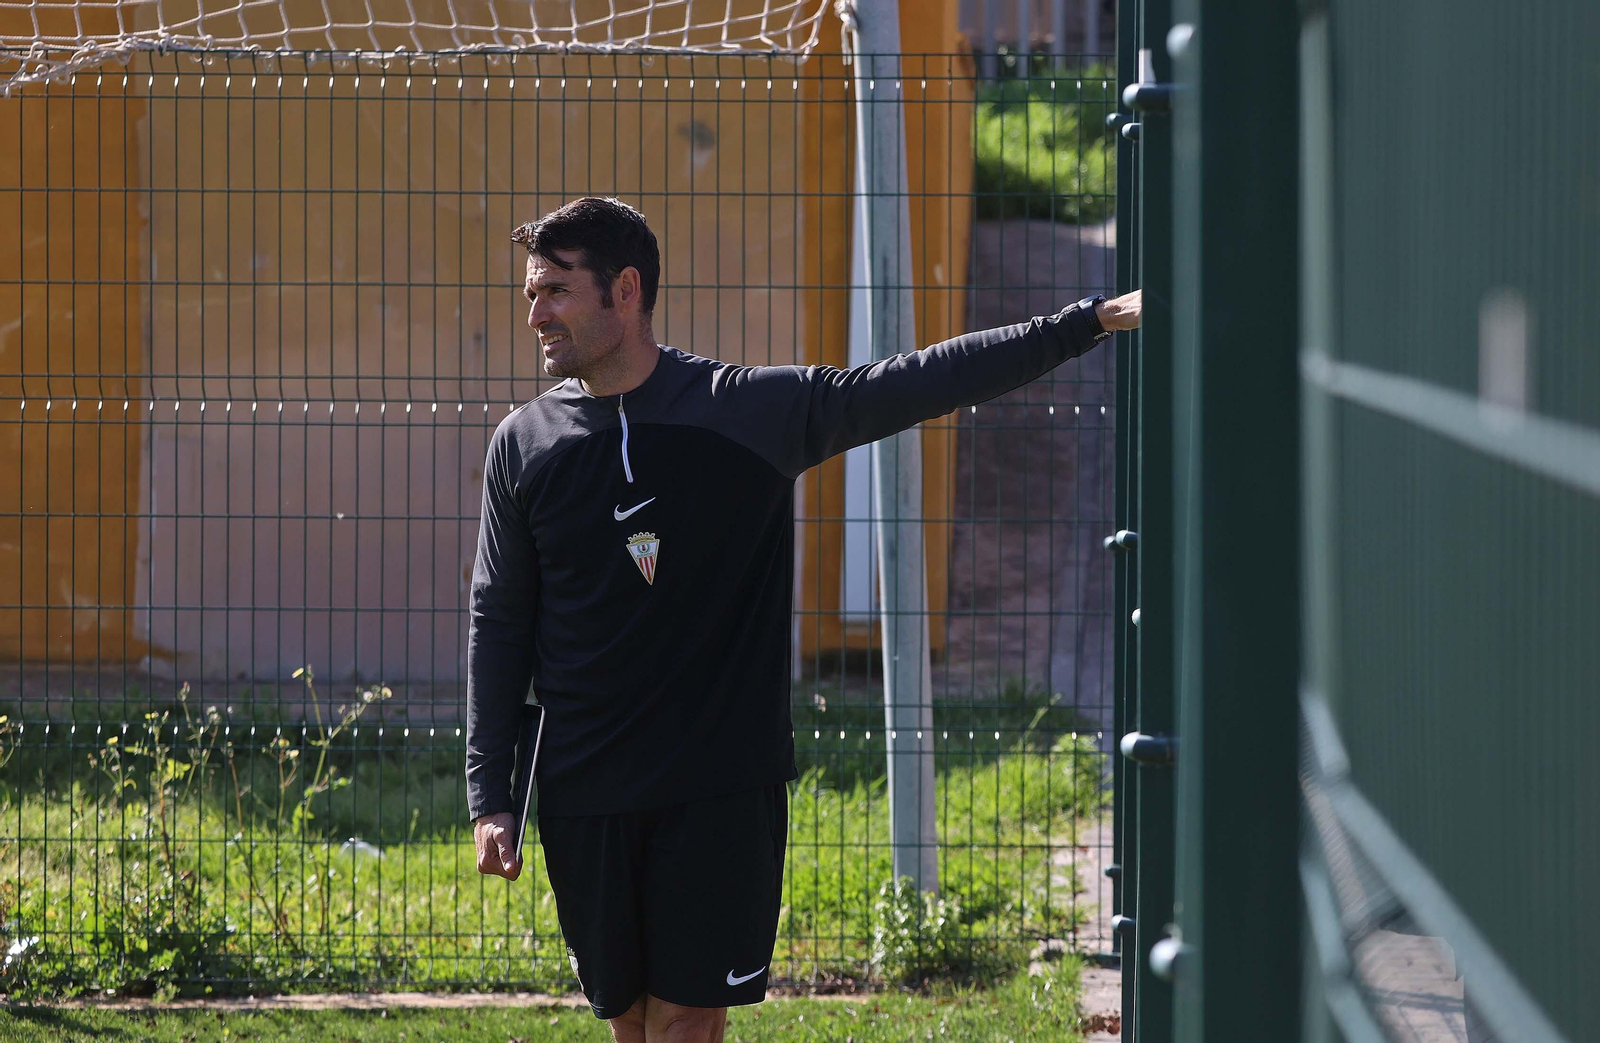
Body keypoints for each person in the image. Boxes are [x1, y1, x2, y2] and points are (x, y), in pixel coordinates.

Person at [466, 196, 1142, 1043]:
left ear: (625, 290)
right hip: (584, 790)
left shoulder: (741, 411)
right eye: (531, 292)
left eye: (556, 291)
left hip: (716, 784)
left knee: (685, 1017)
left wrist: (1086, 321)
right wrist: (493, 793)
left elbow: (911, 382)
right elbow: (499, 618)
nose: (535, 315)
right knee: (630, 1018)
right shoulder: (522, 444)